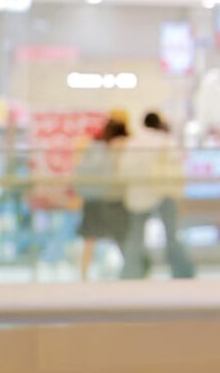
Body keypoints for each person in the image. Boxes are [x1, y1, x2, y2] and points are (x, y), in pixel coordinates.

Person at [118, 110, 194, 279]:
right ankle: (181, 273)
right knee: (171, 235)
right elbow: (178, 162)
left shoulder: (134, 142)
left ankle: (132, 273)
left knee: (136, 236)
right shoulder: (165, 141)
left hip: (138, 195)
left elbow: (124, 169)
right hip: (164, 192)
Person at [73, 116, 128, 280]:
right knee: (120, 236)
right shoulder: (111, 148)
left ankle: (84, 276)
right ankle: (133, 272)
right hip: (108, 198)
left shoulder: (93, 146)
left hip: (91, 197)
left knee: (90, 239)